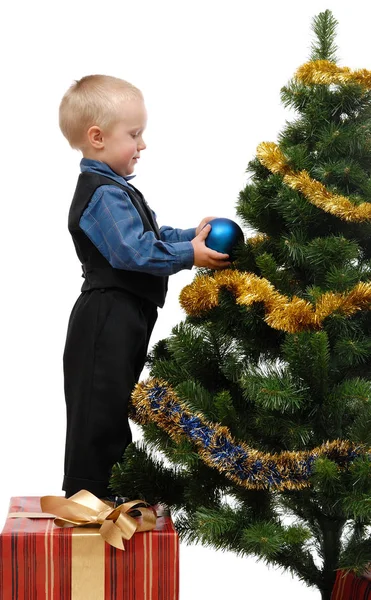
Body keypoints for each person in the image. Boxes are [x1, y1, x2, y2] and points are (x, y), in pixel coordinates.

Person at [59, 74, 230, 501]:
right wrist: (190, 254)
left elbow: (152, 233)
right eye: (134, 134)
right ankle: (91, 497)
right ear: (97, 138)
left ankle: (111, 490)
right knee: (100, 406)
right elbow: (133, 252)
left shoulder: (117, 191)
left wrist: (193, 234)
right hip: (106, 316)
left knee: (116, 400)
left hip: (126, 313)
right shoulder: (102, 194)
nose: (143, 144)